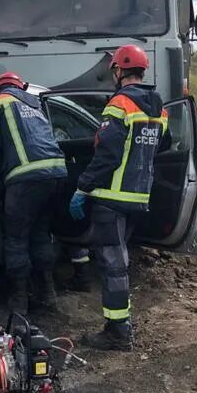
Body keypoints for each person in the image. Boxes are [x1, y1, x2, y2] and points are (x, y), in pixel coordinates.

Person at [70, 45, 169, 351]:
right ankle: (120, 325)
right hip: (138, 197)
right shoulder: (158, 106)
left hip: (111, 197)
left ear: (119, 70)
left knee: (113, 264)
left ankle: (117, 332)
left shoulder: (120, 104)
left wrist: (82, 186)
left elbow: (107, 154)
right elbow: (161, 147)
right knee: (119, 260)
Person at [0, 71, 68, 315]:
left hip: (25, 180)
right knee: (40, 233)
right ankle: (48, 295)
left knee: (16, 239)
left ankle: (19, 300)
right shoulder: (35, 104)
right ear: (21, 87)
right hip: (56, 175)